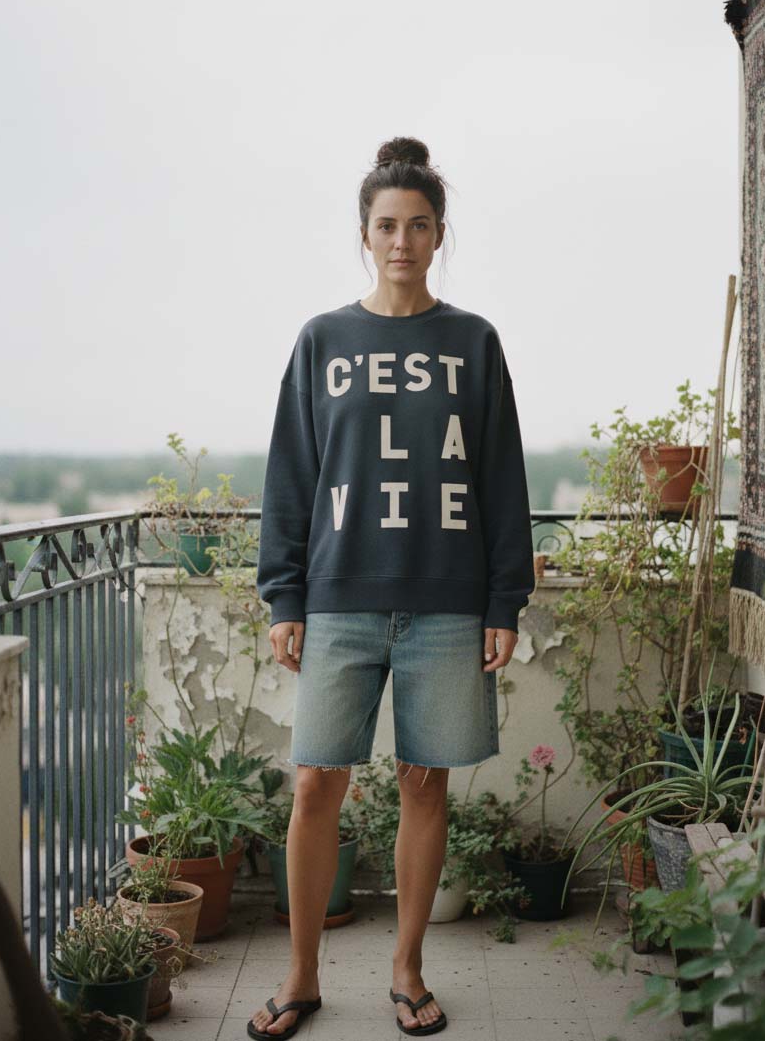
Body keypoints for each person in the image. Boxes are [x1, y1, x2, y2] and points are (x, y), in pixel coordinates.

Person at [248, 136, 535, 1039]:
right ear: (364, 234)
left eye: (417, 225)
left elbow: (501, 477)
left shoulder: (472, 343)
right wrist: (283, 595)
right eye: (386, 225)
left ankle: (407, 971)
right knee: (313, 789)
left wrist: (503, 601)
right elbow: (292, 472)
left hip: (447, 605)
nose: (401, 240)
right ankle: (300, 977)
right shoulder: (324, 341)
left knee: (424, 788)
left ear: (439, 234)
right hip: (339, 599)